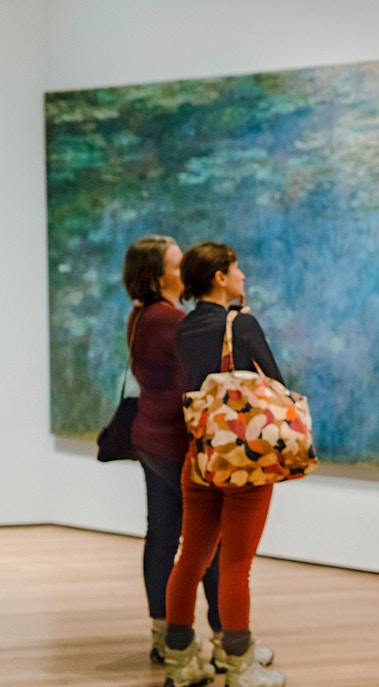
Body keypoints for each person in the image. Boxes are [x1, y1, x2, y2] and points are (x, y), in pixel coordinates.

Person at [161, 241, 284, 687]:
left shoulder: (184, 328)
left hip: (200, 456)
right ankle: (238, 664)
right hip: (243, 460)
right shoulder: (242, 323)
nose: (243, 276)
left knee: (189, 558)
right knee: (235, 565)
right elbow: (275, 383)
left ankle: (180, 659)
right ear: (219, 277)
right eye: (236, 268)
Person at [120, 235, 222, 665]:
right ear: (159, 274)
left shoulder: (141, 316)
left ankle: (164, 634)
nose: (184, 269)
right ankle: (226, 638)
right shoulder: (170, 320)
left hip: (150, 437)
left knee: (161, 535)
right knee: (208, 540)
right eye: (177, 263)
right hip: (176, 443)